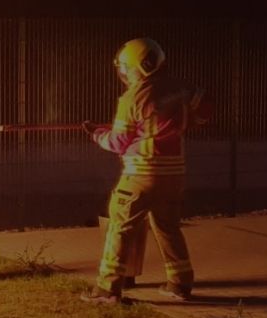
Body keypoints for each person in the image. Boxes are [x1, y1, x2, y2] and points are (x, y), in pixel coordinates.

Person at [81, 38, 205, 303]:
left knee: (120, 227)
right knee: (168, 227)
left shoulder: (133, 97)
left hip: (141, 175)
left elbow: (117, 142)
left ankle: (107, 289)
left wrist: (97, 133)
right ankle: (180, 284)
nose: (125, 74)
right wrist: (189, 121)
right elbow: (204, 109)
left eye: (126, 68)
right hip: (174, 176)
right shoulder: (181, 87)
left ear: (139, 67)